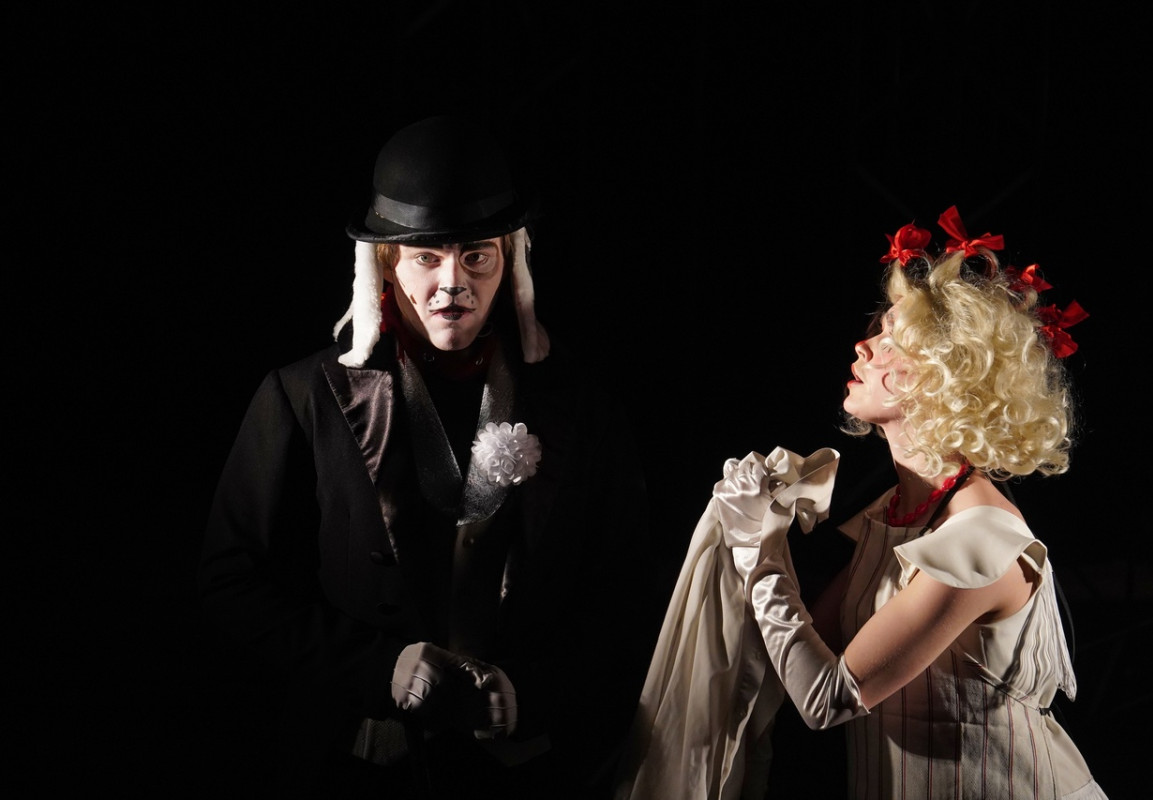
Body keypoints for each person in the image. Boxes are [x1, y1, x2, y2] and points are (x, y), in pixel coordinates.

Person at [198, 114, 651, 799]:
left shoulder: (582, 406)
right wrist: (377, 668)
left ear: (511, 258)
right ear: (385, 261)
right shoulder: (301, 396)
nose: (452, 284)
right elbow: (230, 583)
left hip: (527, 774)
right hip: (358, 768)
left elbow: (626, 595)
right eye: (426, 257)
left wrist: (532, 691)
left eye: (476, 257)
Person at [615, 206, 1105, 799]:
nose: (864, 345)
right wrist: (751, 531)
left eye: (891, 339)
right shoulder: (895, 512)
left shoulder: (981, 538)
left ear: (943, 378)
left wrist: (758, 551)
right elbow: (797, 659)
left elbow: (825, 698)